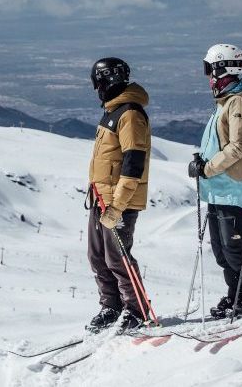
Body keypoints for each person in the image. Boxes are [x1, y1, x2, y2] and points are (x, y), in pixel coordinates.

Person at [188, 44, 242, 319]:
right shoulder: (228, 99)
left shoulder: (239, 102)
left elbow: (239, 146)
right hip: (217, 188)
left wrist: (207, 168)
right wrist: (203, 164)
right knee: (222, 251)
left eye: (210, 69)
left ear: (223, 69)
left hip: (230, 186)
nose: (208, 77)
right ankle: (237, 292)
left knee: (235, 247)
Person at [85, 57, 152, 333]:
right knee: (98, 256)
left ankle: (136, 309)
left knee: (118, 257)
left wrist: (118, 205)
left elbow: (133, 163)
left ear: (106, 81)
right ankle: (111, 306)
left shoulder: (130, 114)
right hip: (101, 197)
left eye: (98, 82)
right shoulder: (112, 111)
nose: (97, 89)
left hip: (117, 201)